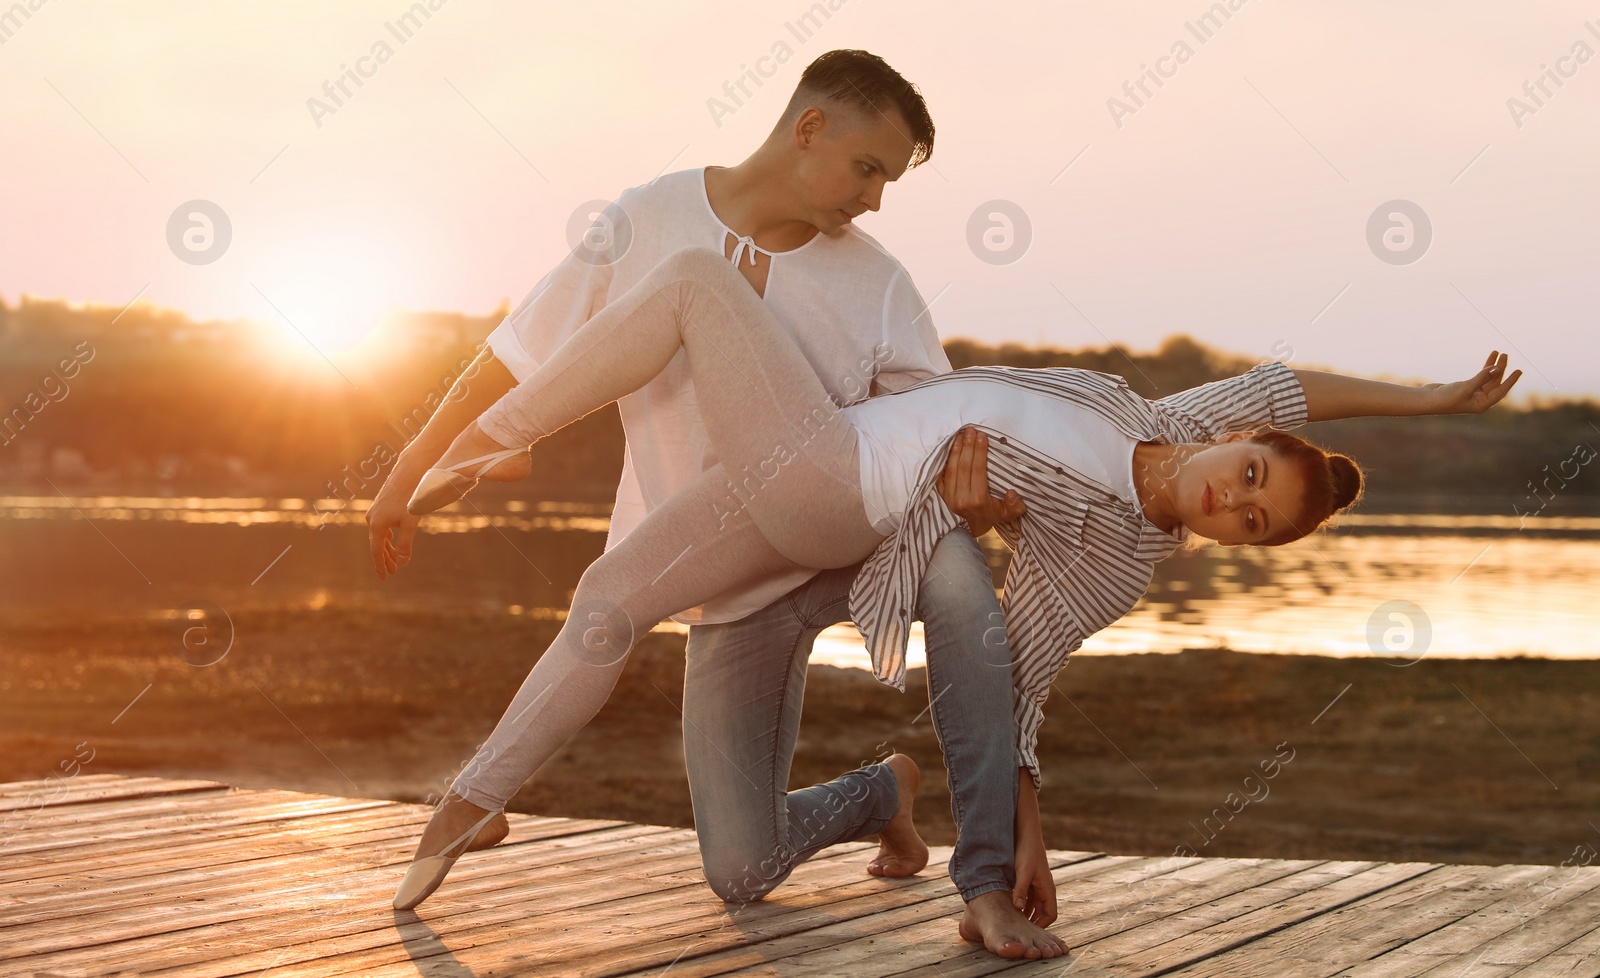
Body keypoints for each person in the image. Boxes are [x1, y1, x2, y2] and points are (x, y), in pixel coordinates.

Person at [383, 243, 1520, 951]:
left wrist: (1024, 847)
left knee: (702, 291)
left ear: (1237, 540)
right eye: (1256, 474)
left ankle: (972, 888)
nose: (1237, 501)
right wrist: (1434, 399)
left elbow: (1014, 684)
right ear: (1239, 440)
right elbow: (1299, 382)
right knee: (621, 627)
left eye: (1254, 522)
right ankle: (480, 803)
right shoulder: (1161, 413)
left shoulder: (1112, 556)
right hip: (780, 487)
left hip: (846, 489)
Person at [369, 50, 1067, 959]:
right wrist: (409, 472)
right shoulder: (649, 219)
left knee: (965, 586)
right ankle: (883, 793)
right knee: (739, 866)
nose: (875, 199)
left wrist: (975, 511)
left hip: (852, 545)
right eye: (868, 168)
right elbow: (516, 354)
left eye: (890, 181)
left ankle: (982, 884)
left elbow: (932, 443)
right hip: (729, 578)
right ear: (808, 127)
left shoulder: (880, 285)